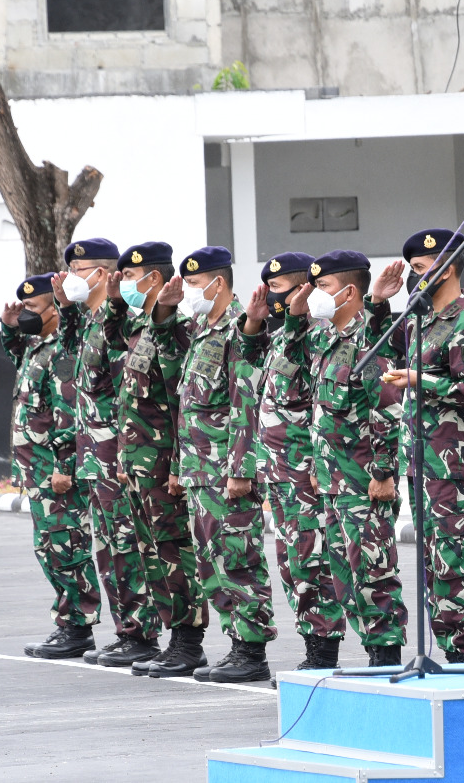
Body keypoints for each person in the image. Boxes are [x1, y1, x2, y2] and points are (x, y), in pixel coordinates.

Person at [369, 229, 464, 663]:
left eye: (422, 270)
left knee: (453, 556)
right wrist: (379, 302)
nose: (415, 279)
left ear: (448, 268)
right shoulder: (423, 322)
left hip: (452, 460)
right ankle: (447, 647)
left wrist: (422, 380)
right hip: (422, 460)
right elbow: (383, 350)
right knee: (431, 558)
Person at [156, 246, 277, 684]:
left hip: (226, 470)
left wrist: (241, 468)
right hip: (199, 469)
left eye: (191, 284)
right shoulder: (201, 330)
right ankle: (236, 645)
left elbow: (245, 402)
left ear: (217, 283)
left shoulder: (238, 330)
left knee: (238, 557)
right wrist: (165, 310)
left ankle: (251, 650)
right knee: (212, 561)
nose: (187, 291)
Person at [285, 250, 407, 668]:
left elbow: (387, 409)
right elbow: (291, 358)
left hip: (365, 480)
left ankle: (386, 657)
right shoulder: (326, 340)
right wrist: (295, 316)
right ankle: (375, 654)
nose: (314, 294)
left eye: (322, 287)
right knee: (345, 578)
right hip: (335, 482)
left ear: (349, 291)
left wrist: (384, 472)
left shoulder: (370, 341)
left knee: (374, 572)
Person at [101, 242, 210, 676]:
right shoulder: (141, 327)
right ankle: (172, 637)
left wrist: (182, 465)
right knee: (151, 552)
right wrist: (112, 302)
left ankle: (188, 641)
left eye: (131, 277)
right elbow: (109, 347)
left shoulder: (177, 328)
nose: (124, 283)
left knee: (175, 550)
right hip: (139, 463)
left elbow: (185, 401)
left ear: (156, 279)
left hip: (165, 465)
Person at [237, 252, 347, 677]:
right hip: (279, 474)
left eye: (278, 289)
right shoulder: (281, 335)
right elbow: (247, 359)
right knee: (292, 563)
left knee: (311, 560)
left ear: (303, 289)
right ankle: (313, 646)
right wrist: (253, 318)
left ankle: (323, 653)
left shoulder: (317, 335)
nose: (270, 296)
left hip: (305, 471)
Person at [51, 238, 158, 667]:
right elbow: (69, 363)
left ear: (101, 274)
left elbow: (125, 396)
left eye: (79, 271)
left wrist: (125, 456)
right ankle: (127, 631)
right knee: (109, 548)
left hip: (116, 454)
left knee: (127, 546)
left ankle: (141, 632)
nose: (71, 279)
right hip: (93, 456)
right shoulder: (91, 321)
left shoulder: (121, 323)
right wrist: (65, 308)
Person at [0, 274, 101, 658]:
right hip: (36, 472)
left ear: (53, 311)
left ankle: (78, 627)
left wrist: (64, 465)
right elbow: (16, 356)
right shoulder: (38, 346)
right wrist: (10, 328)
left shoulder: (63, 351)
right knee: (49, 549)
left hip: (54, 470)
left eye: (32, 308)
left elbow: (66, 413)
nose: (25, 313)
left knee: (66, 547)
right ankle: (69, 621)